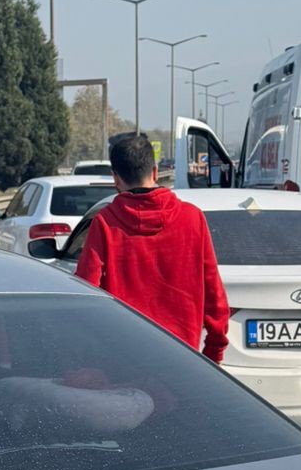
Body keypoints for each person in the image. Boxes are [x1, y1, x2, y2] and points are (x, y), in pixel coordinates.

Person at [74, 130, 229, 360]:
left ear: (115, 178)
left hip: (122, 358)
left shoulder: (105, 223)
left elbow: (86, 294)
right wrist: (213, 354)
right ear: (155, 171)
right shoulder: (192, 218)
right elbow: (214, 296)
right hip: (182, 357)